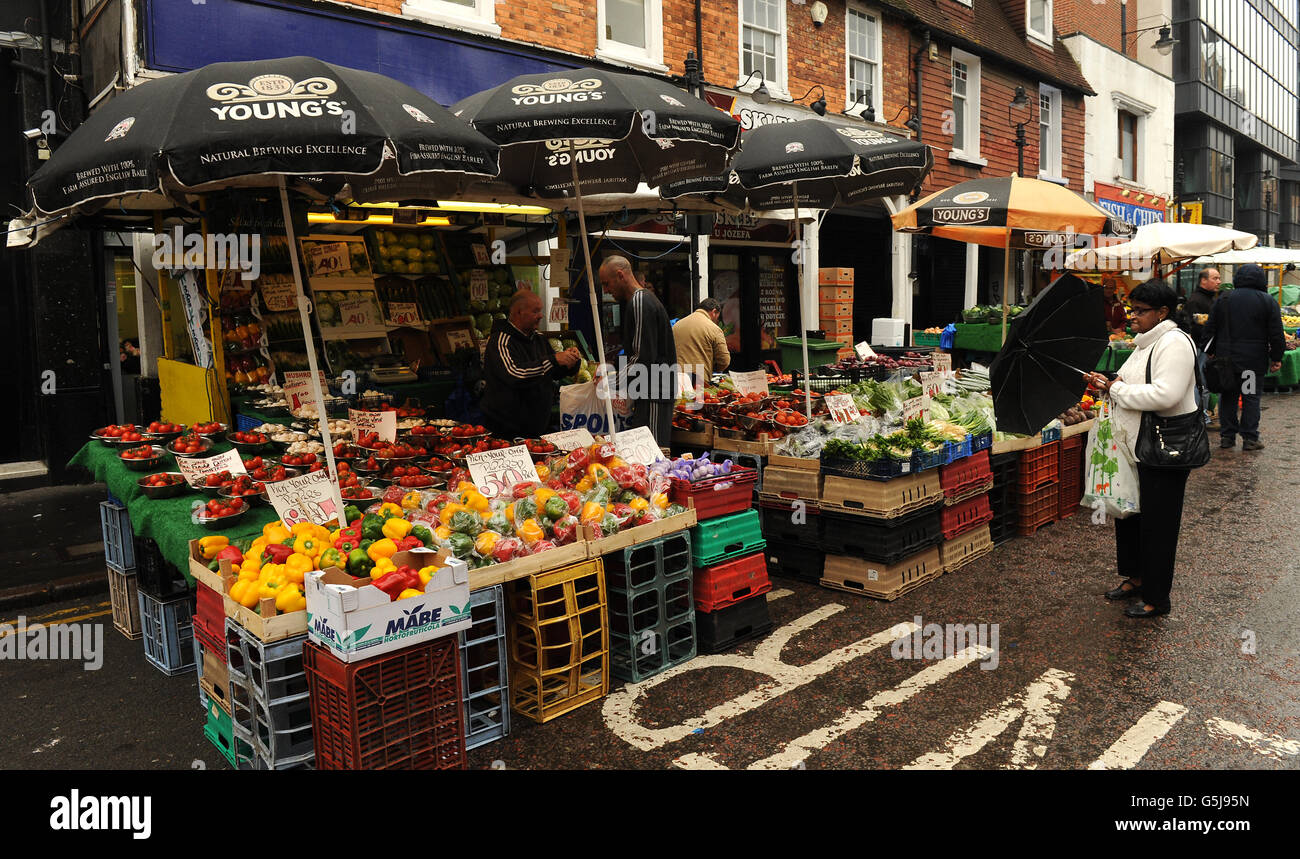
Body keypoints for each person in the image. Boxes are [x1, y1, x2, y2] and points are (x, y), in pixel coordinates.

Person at [1083, 280, 1198, 619]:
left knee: (1159, 524)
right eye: (1131, 308)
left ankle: (1157, 598)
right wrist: (1107, 383)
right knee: (1131, 514)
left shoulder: (1173, 343)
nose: (1132, 316)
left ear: (1163, 312)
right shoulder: (1144, 343)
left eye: (1141, 311)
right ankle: (1135, 577)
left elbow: (1166, 395)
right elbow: (1132, 382)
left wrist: (1117, 391)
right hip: (1135, 443)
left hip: (1164, 449)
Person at [1204, 263, 1284, 451]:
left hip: (1227, 361)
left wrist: (1210, 350)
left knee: (1229, 397)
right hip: (1252, 363)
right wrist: (1277, 357)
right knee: (1250, 397)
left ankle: (1227, 437)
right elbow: (1276, 333)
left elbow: (1210, 328)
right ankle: (1250, 438)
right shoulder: (1267, 300)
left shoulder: (1224, 298)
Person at [479, 290, 581, 439]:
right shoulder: (500, 340)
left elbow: (554, 371)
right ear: (519, 312)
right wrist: (554, 360)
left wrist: (571, 361)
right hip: (505, 430)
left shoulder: (539, 338)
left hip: (536, 428)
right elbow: (514, 374)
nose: (541, 316)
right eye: (535, 311)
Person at [599, 254, 677, 446]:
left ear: (620, 275)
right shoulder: (639, 301)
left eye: (607, 284)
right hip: (649, 391)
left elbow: (642, 356)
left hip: (654, 392)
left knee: (653, 453)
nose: (606, 291)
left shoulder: (640, 301)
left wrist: (611, 381)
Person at [672, 297, 730, 386]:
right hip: (699, 381)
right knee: (697, 400)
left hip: (677, 379)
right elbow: (724, 360)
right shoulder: (713, 328)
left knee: (681, 400)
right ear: (714, 311)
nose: (716, 320)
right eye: (717, 317)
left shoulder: (677, 325)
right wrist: (713, 367)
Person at [1184, 267, 1221, 348]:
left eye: (1219, 278)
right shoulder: (1195, 300)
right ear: (1203, 280)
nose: (1219, 282)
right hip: (1201, 347)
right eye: (1215, 278)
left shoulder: (1212, 298)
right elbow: (1196, 328)